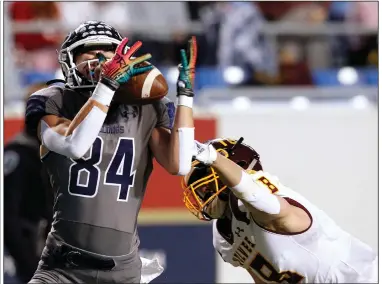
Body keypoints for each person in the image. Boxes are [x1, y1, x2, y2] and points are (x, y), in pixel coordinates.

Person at [25, 21, 196, 283]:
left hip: (123, 270)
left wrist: (185, 97)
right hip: (63, 266)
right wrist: (106, 85)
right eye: (91, 51)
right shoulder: (55, 99)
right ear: (70, 60)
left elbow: (180, 165)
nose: (102, 58)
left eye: (109, 51)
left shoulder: (147, 106)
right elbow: (75, 145)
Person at [182, 138, 378, 283]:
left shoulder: (258, 194)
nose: (202, 197)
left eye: (205, 187)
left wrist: (214, 158)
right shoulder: (222, 234)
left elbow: (262, 201)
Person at [4, 83, 53, 283]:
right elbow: (8, 217)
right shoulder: (18, 154)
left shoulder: (56, 151)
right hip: (34, 255)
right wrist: (29, 264)